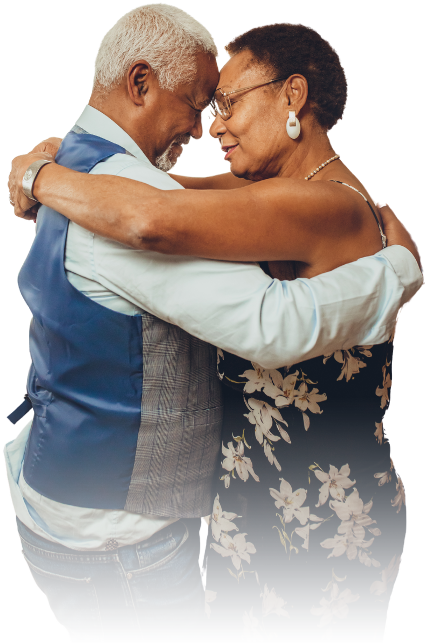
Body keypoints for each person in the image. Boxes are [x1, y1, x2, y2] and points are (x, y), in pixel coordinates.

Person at [6, 9, 422, 644]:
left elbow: (155, 215)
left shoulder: (323, 204)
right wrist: (52, 162)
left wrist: (40, 176)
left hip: (317, 510)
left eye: (226, 103)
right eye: (208, 105)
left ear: (293, 94)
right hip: (249, 500)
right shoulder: (265, 189)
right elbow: (152, 189)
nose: (213, 126)